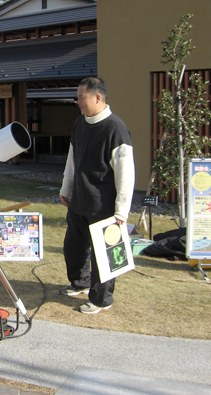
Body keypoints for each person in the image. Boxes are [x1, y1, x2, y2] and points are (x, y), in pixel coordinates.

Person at [59, 77, 135, 314]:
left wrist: (122, 210)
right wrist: (66, 188)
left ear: (97, 97)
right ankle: (79, 283)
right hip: (80, 200)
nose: (78, 102)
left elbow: (126, 174)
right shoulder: (80, 123)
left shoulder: (115, 128)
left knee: (104, 256)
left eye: (81, 97)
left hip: (104, 205)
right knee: (74, 247)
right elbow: (72, 158)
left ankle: (102, 299)